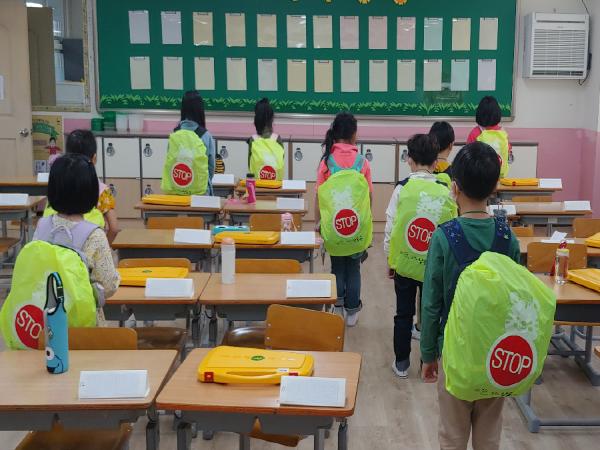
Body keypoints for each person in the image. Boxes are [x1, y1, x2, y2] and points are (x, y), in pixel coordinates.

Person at [420, 142, 521, 450]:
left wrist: (428, 354)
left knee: (452, 435)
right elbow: (516, 299)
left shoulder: (443, 236)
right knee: (489, 437)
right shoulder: (507, 237)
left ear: (454, 188)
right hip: (495, 353)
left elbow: (431, 304)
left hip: (454, 353)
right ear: (495, 187)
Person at [384, 134, 457, 378]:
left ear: (409, 159)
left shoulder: (402, 188)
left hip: (404, 263)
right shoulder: (445, 190)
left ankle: (401, 363)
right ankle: (429, 362)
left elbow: (391, 227)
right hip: (433, 267)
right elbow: (452, 229)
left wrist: (390, 259)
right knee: (431, 313)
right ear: (436, 163)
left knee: (403, 314)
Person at [315, 112, 373, 327]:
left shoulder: (327, 162)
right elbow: (369, 196)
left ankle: (337, 305)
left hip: (334, 226)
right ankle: (352, 311)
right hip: (356, 225)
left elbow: (319, 196)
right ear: (354, 134)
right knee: (354, 268)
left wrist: (318, 224)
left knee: (337, 266)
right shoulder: (362, 162)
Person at [64, 129, 118, 242]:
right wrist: (104, 247)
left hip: (63, 246)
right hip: (93, 245)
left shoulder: (61, 187)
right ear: (94, 158)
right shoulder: (102, 191)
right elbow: (114, 228)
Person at [162, 90, 216, 195]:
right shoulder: (205, 135)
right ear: (200, 110)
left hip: (176, 192)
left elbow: (170, 161)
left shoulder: (175, 134)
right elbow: (211, 167)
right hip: (201, 194)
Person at [466, 96, 511, 178]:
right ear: (497, 113)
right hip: (498, 176)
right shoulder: (502, 133)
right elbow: (508, 154)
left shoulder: (475, 132)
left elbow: (467, 156)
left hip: (479, 177)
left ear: (479, 113)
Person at [248, 98, 285, 181]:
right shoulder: (277, 139)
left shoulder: (253, 140)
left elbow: (250, 166)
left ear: (256, 120)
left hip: (257, 186)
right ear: (272, 119)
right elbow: (281, 165)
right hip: (275, 186)